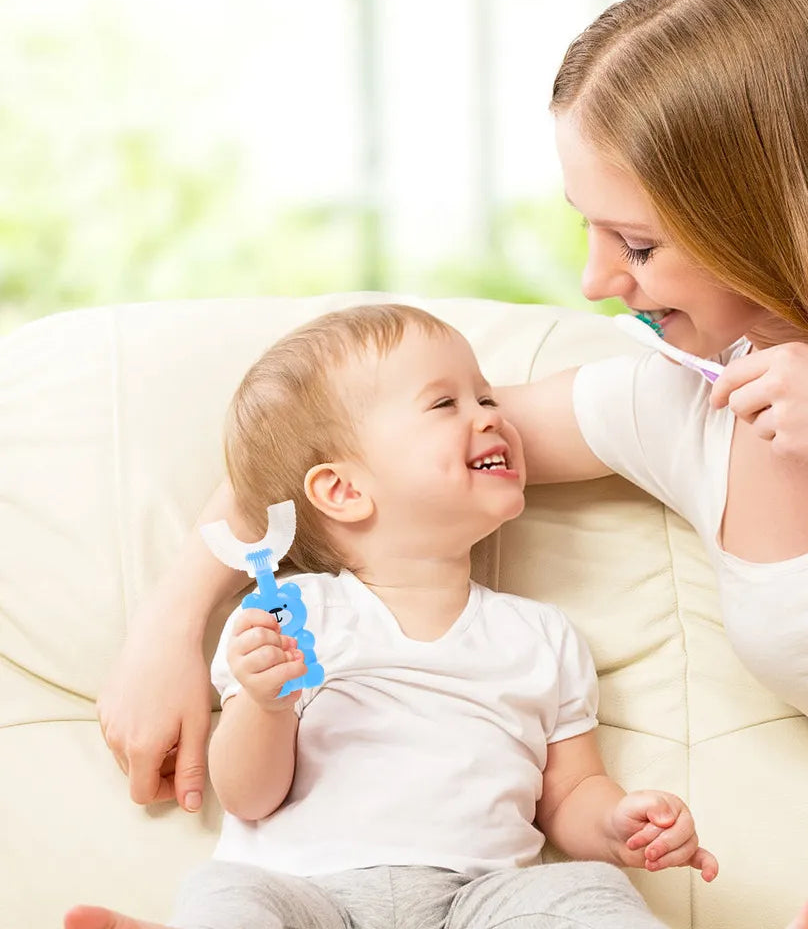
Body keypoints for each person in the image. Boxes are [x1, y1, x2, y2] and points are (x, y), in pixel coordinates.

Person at [96, 0, 808, 928]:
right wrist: (170, 626)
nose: (595, 283)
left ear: (780, 218)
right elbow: (343, 454)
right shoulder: (676, 405)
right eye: (588, 228)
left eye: (638, 245)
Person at [68, 303, 725, 929]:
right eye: (445, 404)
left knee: (586, 891)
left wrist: (617, 824)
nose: (492, 417)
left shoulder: (544, 638)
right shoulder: (290, 616)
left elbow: (572, 792)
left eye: (489, 397)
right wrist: (265, 707)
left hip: (479, 900)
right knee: (229, 894)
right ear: (344, 490)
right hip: (307, 897)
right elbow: (246, 798)